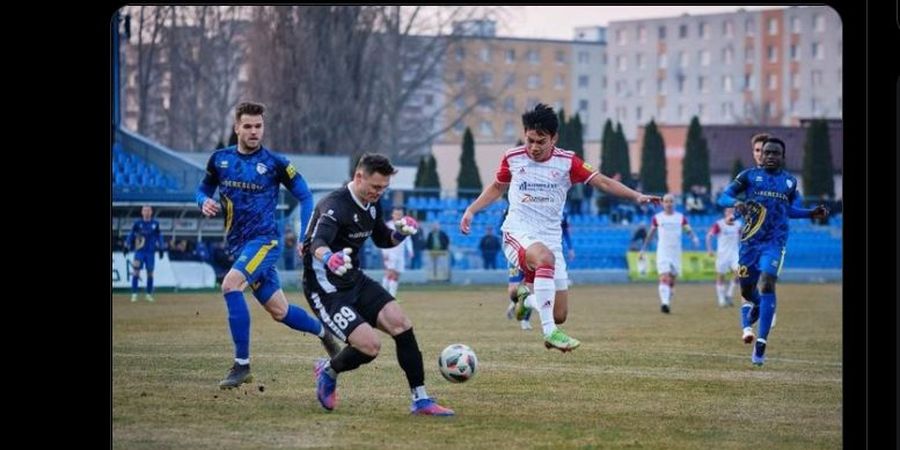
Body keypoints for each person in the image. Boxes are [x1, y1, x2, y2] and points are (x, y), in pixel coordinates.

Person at [460, 103, 660, 352]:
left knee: (559, 313)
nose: (533, 146)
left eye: (540, 141)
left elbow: (603, 182)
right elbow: (497, 187)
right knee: (544, 258)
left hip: (551, 239)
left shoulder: (568, 162)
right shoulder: (513, 157)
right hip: (518, 232)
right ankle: (550, 333)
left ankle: (527, 299)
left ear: (554, 138)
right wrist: (471, 210)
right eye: (530, 139)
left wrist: (636, 196)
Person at [196, 101, 341, 389]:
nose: (253, 132)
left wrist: (304, 237)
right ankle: (324, 332)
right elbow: (202, 189)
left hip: (264, 242)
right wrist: (204, 201)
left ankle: (242, 365)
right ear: (236, 127)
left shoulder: (277, 163)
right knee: (281, 312)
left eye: (258, 126)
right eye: (247, 126)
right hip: (237, 246)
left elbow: (306, 197)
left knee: (230, 285)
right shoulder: (219, 160)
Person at [303, 153, 454, 416]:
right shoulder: (334, 205)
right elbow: (316, 243)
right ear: (358, 176)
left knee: (401, 324)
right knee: (370, 346)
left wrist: (401, 234)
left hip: (354, 280)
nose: (379, 192)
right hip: (326, 289)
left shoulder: (373, 203)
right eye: (375, 187)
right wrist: (329, 257)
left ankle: (421, 400)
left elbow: (384, 239)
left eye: (384, 188)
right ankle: (328, 370)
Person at [718, 137, 829, 365]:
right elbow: (722, 196)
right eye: (767, 152)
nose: (770, 156)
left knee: (768, 282)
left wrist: (811, 213)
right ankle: (756, 304)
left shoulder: (789, 182)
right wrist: (735, 203)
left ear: (782, 157)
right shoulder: (748, 176)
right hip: (749, 243)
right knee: (748, 292)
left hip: (774, 242)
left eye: (775, 153)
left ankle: (761, 344)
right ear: (762, 155)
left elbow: (790, 210)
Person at [638, 194, 701, 314]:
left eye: (671, 201)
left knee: (672, 280)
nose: (668, 204)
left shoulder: (680, 217)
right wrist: (644, 248)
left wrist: (694, 238)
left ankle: (668, 296)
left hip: (676, 252)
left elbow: (687, 229)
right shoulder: (658, 218)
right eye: (666, 201)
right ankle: (664, 304)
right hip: (663, 251)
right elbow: (651, 234)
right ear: (662, 203)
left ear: (674, 203)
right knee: (664, 277)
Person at [124, 205, 166, 303]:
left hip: (150, 252)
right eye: (144, 210)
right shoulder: (137, 224)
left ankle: (148, 294)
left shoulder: (155, 224)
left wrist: (161, 247)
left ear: (151, 212)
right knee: (136, 272)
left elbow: (159, 236)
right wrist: (126, 245)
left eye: (148, 210)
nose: (146, 212)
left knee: (150, 273)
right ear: (142, 212)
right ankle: (134, 294)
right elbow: (131, 235)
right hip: (139, 252)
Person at [706, 207, 742, 307]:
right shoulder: (719, 224)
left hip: (734, 254)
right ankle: (721, 299)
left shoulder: (738, 224)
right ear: (725, 213)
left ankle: (729, 294)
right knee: (720, 276)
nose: (730, 213)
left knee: (739, 272)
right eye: (728, 211)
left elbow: (741, 237)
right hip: (722, 255)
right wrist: (709, 249)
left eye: (732, 211)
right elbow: (709, 236)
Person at [381, 206, 414, 298]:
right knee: (389, 273)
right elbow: (382, 239)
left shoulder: (405, 227)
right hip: (390, 253)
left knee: (396, 275)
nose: (398, 216)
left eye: (400, 214)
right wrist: (385, 253)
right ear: (392, 215)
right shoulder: (388, 226)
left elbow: (408, 240)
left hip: (400, 254)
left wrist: (410, 250)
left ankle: (392, 297)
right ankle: (383, 296)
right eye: (396, 214)